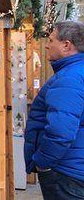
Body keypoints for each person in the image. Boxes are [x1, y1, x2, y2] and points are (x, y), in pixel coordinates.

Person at [26, 21, 84, 199]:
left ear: (66, 45)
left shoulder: (69, 79)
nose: (47, 46)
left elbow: (60, 131)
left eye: (51, 40)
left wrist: (43, 163)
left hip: (66, 173)